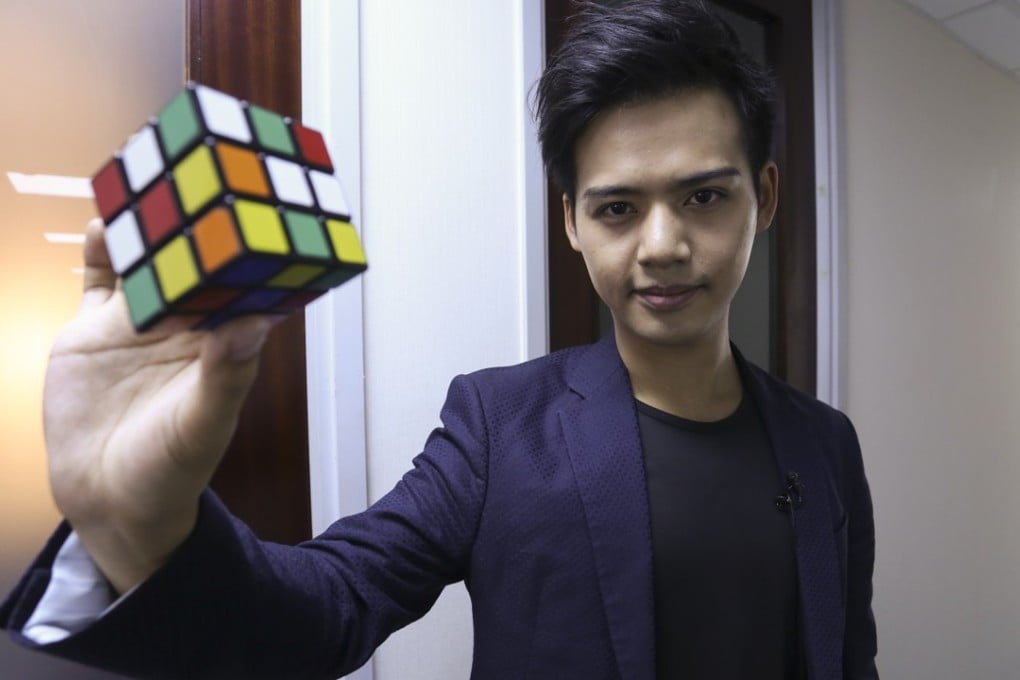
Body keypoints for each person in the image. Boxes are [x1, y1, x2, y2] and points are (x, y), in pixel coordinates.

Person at [1, 1, 878, 678]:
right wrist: (143, 529)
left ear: (763, 197)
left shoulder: (826, 446)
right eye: (618, 207)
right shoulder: (499, 424)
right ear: (572, 223)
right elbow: (332, 604)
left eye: (703, 196)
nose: (661, 245)